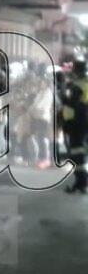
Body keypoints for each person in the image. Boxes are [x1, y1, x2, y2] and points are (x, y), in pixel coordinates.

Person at [60, 60, 88, 194]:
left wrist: (63, 97)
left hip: (76, 121)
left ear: (75, 71)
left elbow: (73, 103)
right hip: (82, 120)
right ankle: (81, 181)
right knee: (78, 151)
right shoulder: (84, 83)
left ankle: (81, 181)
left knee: (76, 151)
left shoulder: (78, 85)